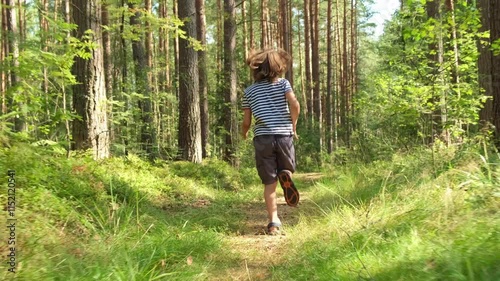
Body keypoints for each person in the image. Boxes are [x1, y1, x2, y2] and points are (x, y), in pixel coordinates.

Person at [241, 48, 301, 235]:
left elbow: (246, 121)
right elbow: (295, 104)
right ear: (277, 67)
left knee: (269, 182)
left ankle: (274, 221)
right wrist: (294, 125)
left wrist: (244, 133)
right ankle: (286, 174)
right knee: (287, 168)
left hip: (262, 138)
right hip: (284, 135)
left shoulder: (249, 91)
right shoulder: (283, 84)